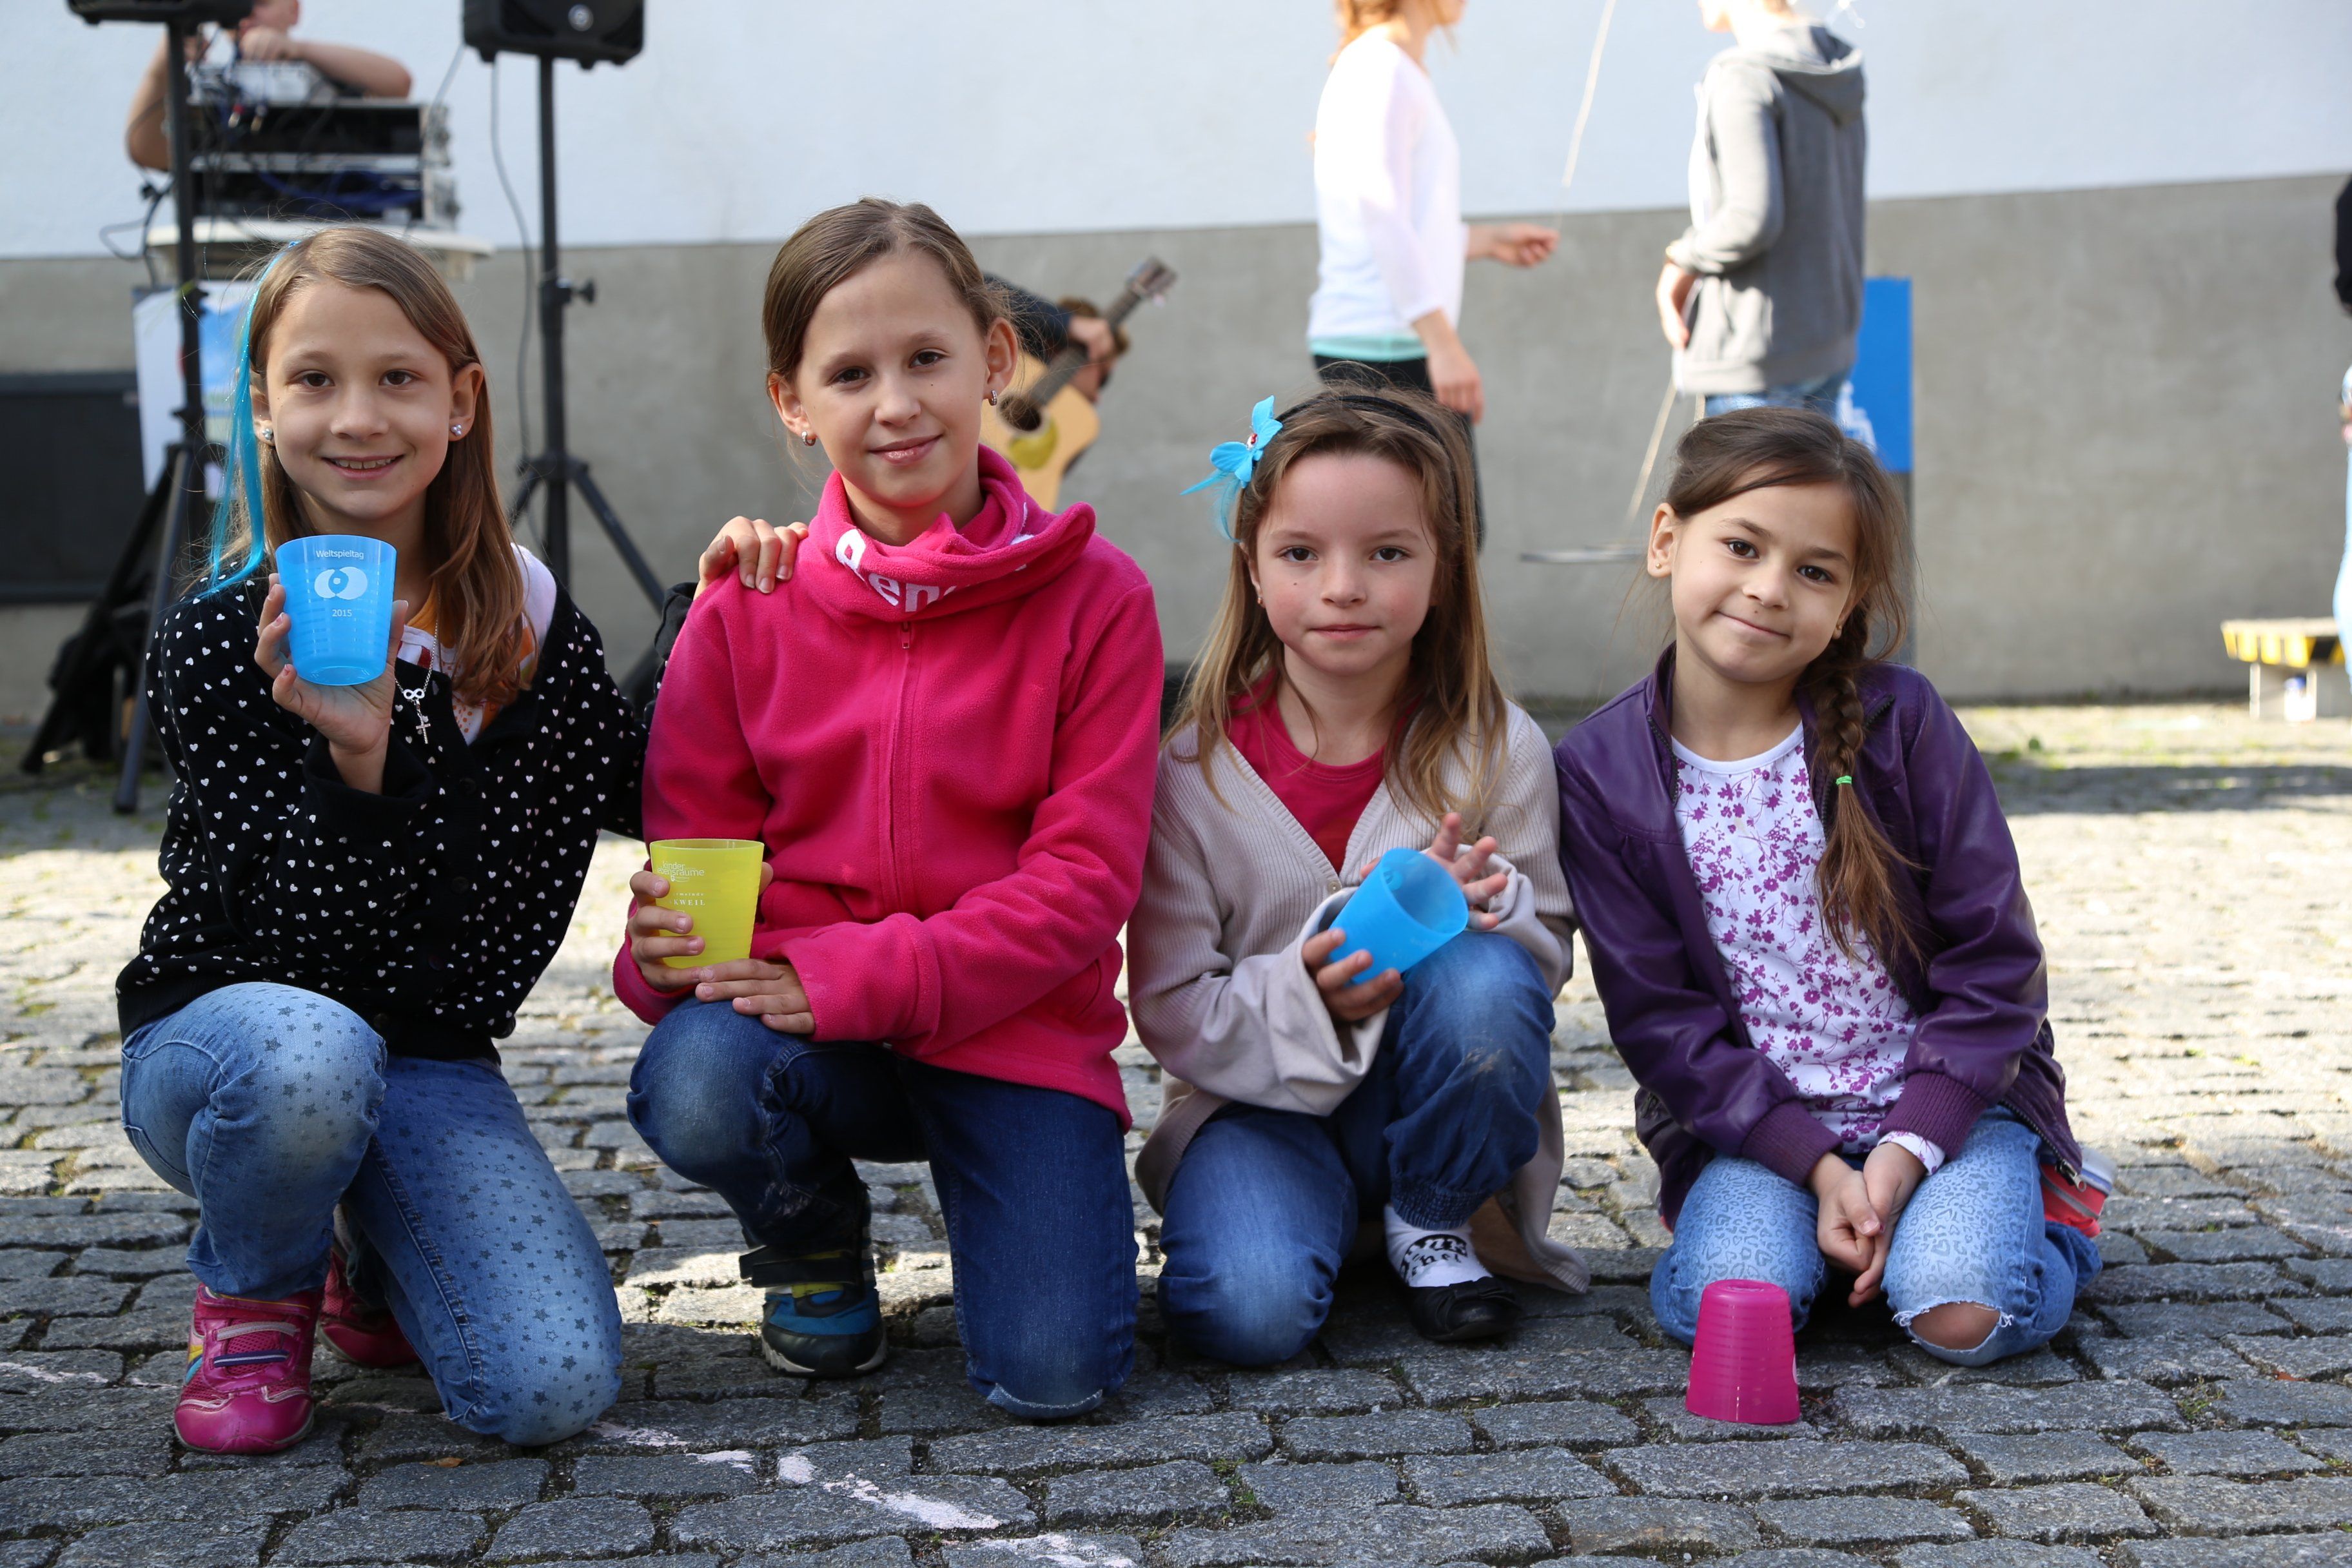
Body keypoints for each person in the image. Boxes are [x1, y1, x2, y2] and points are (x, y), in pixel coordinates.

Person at [113, 226, 784, 1455]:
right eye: (314, 379)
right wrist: (360, 757)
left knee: (547, 1382)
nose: (358, 417)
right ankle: (257, 1293)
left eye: (399, 377)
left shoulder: (527, 624)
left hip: (425, 1058)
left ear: (461, 400)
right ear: (261, 405)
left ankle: (368, 1260)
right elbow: (295, 944)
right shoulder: (218, 642)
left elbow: (641, 781)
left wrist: (719, 614)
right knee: (311, 1054)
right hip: (232, 1050)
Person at [618, 199, 1162, 1419]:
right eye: (850, 374)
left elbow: (1083, 886)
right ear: (792, 402)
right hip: (817, 1039)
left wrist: (865, 975)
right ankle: (813, 1240)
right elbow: (700, 856)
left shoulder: (1101, 599)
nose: (897, 403)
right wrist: (663, 950)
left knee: (1053, 1375)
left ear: (995, 359)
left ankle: (1013, 1207)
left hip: (1013, 1030)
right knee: (697, 1077)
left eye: (926, 358)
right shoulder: (743, 604)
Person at [1553, 407, 2103, 1367]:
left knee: (1962, 1315)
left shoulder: (1903, 726)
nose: (1770, 589)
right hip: (1755, 1135)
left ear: (1848, 605)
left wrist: (1904, 1150)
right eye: (1741, 546)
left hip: (1947, 1116)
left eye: (1815, 572)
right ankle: (1844, 1242)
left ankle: (2050, 1226)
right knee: (1729, 1312)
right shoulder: (1600, 772)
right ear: (1666, 541)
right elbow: (1661, 1021)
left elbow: (1995, 962)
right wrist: (1813, 1164)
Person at [1128, 386, 1582, 1365]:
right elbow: (1171, 1005)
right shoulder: (1193, 773)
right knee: (1246, 1314)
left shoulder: (1497, 748)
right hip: (1252, 1107)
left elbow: (1541, 959)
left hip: (1430, 1101)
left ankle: (1433, 1214)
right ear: (1252, 570)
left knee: (1485, 978)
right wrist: (1311, 991)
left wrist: (1480, 907)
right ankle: (1322, 1221)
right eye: (1301, 553)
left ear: (1444, 569)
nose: (1343, 587)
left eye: (1387, 553)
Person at [1308, 0, 1558, 543]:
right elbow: (1381, 215)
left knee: (1439, 540)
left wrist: (1486, 241)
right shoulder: (1380, 67)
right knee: (1442, 542)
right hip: (1388, 346)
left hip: (1389, 340)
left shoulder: (1389, 66)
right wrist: (1442, 343)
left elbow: (1397, 222)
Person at [1655, 0, 1866, 418]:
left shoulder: (1744, 76)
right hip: (1827, 346)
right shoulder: (1833, 63)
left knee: (1747, 466)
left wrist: (1681, 260)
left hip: (1757, 357)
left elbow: (1750, 219)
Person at [126, 0, 411, 172]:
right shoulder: (212, 90)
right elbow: (148, 154)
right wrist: (162, 69)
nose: (248, 15)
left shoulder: (328, 77)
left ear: (293, 10)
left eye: (261, 3)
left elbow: (398, 82)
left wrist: (299, 49)